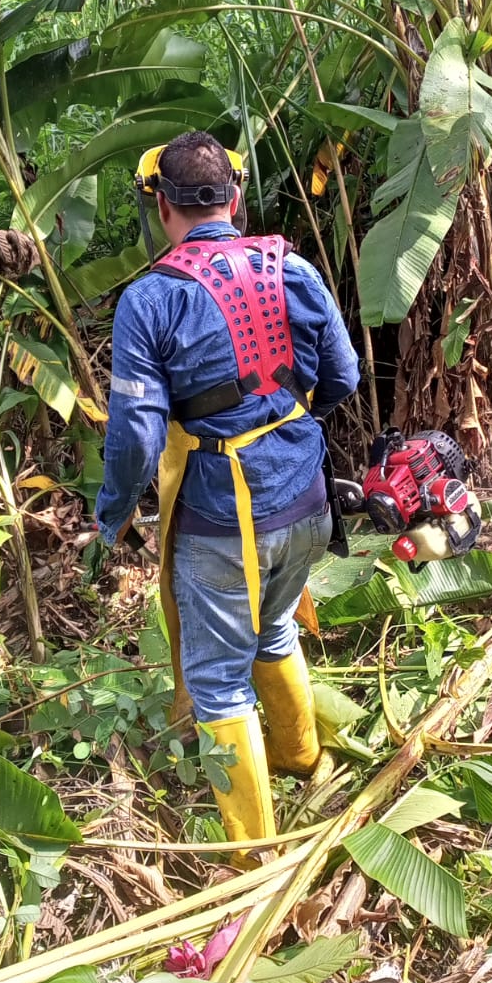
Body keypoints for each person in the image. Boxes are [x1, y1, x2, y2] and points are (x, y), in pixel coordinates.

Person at [95, 132, 361, 860]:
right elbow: (343, 377)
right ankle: (303, 761)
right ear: (235, 198)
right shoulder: (294, 268)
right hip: (307, 497)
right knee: (273, 630)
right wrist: (282, 423)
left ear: (162, 206)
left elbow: (136, 436)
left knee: (216, 682)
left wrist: (113, 514)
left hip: (224, 518)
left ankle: (250, 857)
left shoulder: (149, 299)